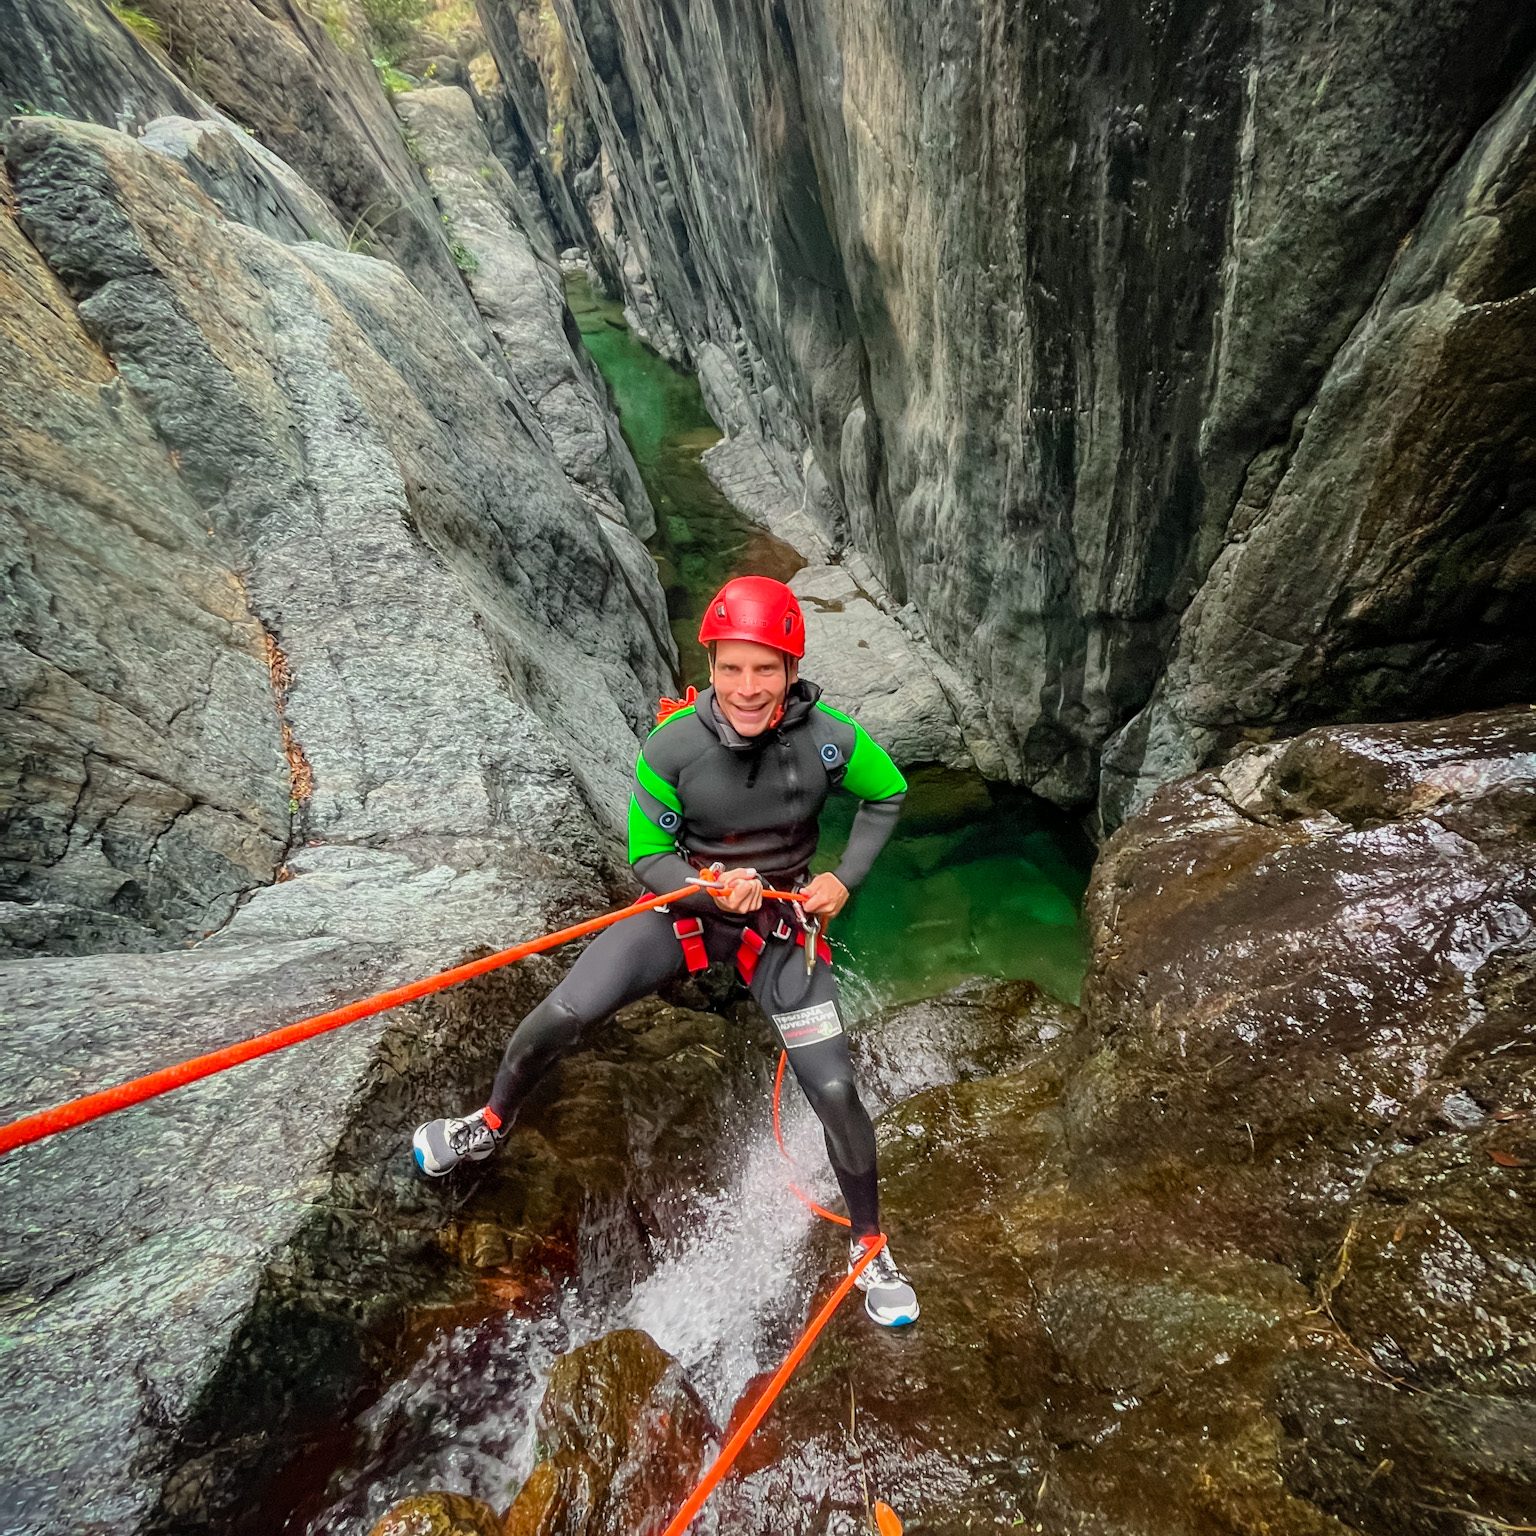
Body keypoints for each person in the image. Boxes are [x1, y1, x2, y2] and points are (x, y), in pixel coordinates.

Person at [412, 575, 919, 1326]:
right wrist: (707, 887)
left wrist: (844, 880)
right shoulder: (672, 746)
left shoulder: (832, 741)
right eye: (731, 667)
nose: (748, 688)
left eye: (766, 668)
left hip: (782, 926)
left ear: (791, 670)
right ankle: (487, 1125)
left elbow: (891, 794)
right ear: (710, 664)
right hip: (694, 911)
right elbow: (648, 856)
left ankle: (870, 1244)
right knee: (566, 1009)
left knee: (835, 1089)